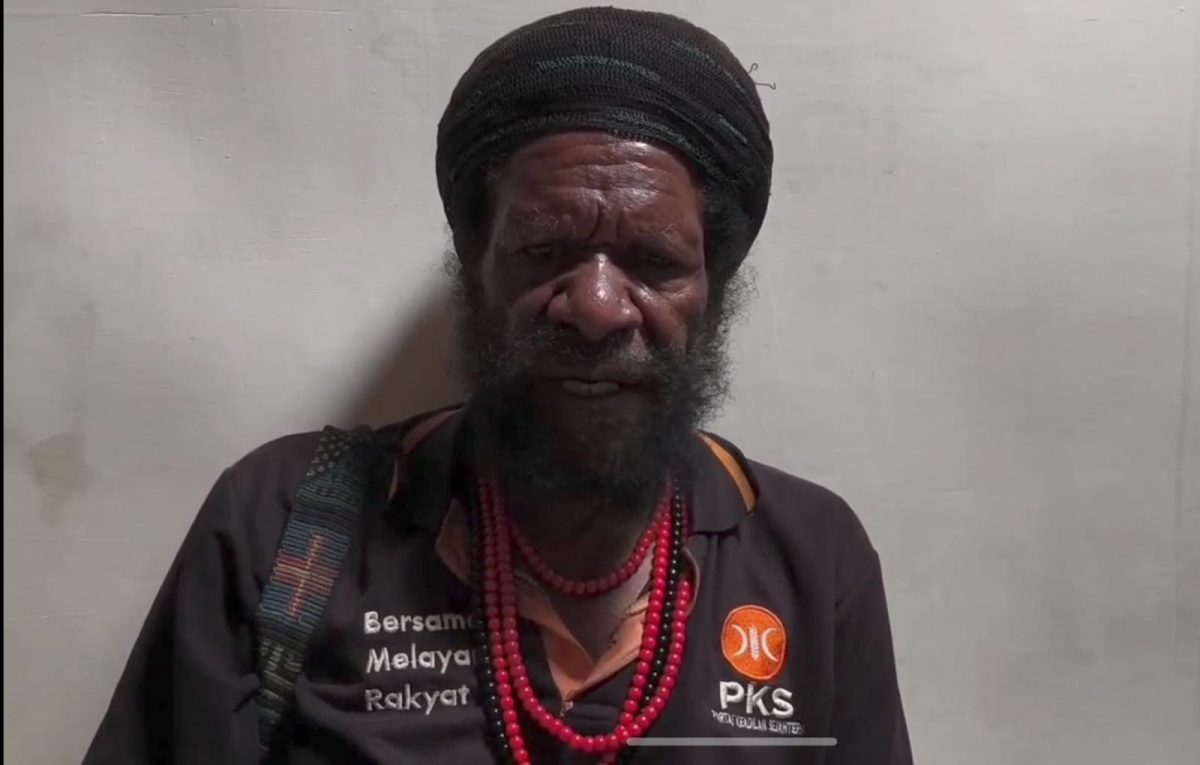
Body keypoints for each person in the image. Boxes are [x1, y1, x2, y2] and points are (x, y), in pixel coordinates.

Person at [83, 7, 911, 764]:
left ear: (714, 286)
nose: (596, 307)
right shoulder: (281, 522)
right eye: (543, 251)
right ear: (475, 264)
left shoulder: (811, 557)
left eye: (654, 261)